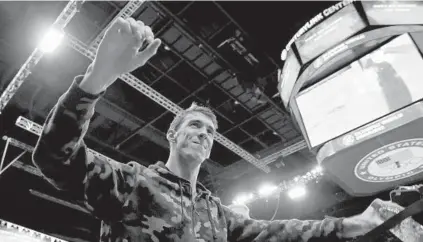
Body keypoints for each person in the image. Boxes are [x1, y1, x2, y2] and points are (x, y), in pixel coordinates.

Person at [32, 17, 402, 242]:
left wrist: (354, 223)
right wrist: (97, 78)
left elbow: (284, 233)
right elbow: (54, 157)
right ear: (172, 135)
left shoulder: (217, 214)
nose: (202, 134)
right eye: (194, 125)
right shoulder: (132, 184)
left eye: (209, 132)